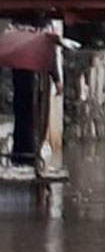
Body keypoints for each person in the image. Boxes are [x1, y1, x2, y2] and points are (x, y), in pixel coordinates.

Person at [7, 13, 62, 167]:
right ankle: (27, 155)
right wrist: (56, 78)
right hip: (31, 72)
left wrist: (56, 78)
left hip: (29, 71)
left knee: (27, 113)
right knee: (31, 114)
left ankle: (23, 155)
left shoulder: (20, 23)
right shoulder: (42, 23)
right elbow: (50, 51)